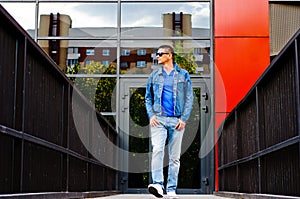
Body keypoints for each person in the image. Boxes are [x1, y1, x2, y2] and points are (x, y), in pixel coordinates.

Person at [145, 45, 194, 198]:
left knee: (174, 157)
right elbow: (148, 97)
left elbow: (189, 98)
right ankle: (158, 185)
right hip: (158, 120)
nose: (157, 56)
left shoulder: (183, 75)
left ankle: (171, 188)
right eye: (157, 54)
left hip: (177, 120)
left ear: (170, 55)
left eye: (160, 54)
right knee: (158, 150)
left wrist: (184, 119)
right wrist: (151, 115)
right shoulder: (154, 76)